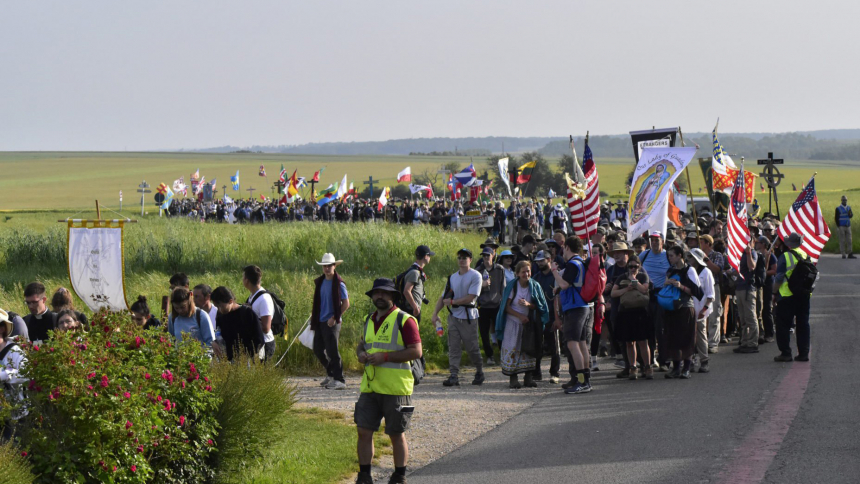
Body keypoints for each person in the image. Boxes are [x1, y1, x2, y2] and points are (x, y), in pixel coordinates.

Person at [354, 278, 422, 484]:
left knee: (396, 435)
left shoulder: (405, 319)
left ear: (393, 296)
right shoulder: (369, 319)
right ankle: (364, 475)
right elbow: (361, 345)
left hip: (396, 389)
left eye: (385, 293)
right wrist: (360, 354)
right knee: (363, 431)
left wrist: (385, 357)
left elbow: (416, 351)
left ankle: (399, 476)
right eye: (376, 293)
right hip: (370, 387)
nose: (380, 296)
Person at [431, 248, 485, 387]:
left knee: (472, 348)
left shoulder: (476, 276)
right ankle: (453, 375)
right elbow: (443, 297)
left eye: (465, 257)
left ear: (470, 260)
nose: (461, 260)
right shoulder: (452, 277)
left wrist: (453, 302)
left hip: (469, 318)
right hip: (454, 316)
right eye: (460, 257)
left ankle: (479, 371)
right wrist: (435, 314)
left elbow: (471, 297)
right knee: (453, 347)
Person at [494, 261, 549, 388]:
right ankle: (513, 378)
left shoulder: (534, 286)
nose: (526, 274)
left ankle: (528, 378)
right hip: (513, 323)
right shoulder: (513, 286)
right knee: (513, 348)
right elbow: (506, 307)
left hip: (528, 325)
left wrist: (528, 305)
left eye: (528, 271)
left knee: (528, 349)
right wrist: (520, 316)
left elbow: (539, 306)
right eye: (523, 271)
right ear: (517, 273)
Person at [551, 236, 593, 394]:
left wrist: (554, 270)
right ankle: (583, 380)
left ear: (567, 247)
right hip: (582, 306)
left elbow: (564, 284)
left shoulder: (573, 264)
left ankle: (582, 381)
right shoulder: (580, 262)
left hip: (575, 308)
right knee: (581, 343)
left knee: (572, 343)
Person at [662, 246, 704, 379]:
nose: (670, 258)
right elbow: (665, 288)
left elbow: (698, 293)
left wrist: (682, 287)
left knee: (686, 338)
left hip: (686, 308)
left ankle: (686, 368)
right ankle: (675, 368)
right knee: (673, 338)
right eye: (668, 256)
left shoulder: (689, 270)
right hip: (672, 308)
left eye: (672, 255)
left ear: (680, 255)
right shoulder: (670, 270)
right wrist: (667, 283)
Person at [609, 254, 653, 380]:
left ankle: (647, 366)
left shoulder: (643, 276)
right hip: (625, 312)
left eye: (635, 266)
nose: (633, 268)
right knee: (629, 342)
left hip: (640, 312)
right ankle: (633, 368)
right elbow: (613, 293)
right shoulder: (621, 277)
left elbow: (644, 290)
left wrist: (635, 281)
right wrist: (626, 289)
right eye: (631, 266)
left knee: (643, 341)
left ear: (639, 266)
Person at [312, 253, 351, 390]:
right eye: (324, 266)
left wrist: (334, 317)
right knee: (317, 349)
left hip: (333, 323)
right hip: (320, 321)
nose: (327, 268)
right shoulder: (321, 281)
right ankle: (331, 373)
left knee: (332, 351)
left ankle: (339, 379)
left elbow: (346, 304)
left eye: (329, 266)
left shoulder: (339, 283)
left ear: (334, 266)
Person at [773, 233, 812, 362]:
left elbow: (779, 278)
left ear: (789, 244)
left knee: (783, 325)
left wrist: (774, 292)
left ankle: (786, 353)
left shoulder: (785, 256)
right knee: (803, 324)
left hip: (787, 296)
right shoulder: (806, 256)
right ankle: (803, 353)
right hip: (804, 295)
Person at [639, 231, 671, 371]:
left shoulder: (668, 256)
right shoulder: (644, 255)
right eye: (652, 240)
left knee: (661, 329)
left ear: (662, 242)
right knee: (648, 329)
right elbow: (635, 270)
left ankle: (664, 360)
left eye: (657, 240)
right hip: (646, 295)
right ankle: (649, 360)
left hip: (662, 295)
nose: (654, 243)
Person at [210, 286, 265, 362]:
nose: (219, 309)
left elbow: (259, 340)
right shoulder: (221, 316)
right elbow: (219, 334)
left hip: (249, 361)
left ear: (230, 301)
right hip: (230, 361)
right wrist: (214, 342)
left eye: (221, 306)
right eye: (217, 307)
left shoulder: (247, 313)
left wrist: (247, 356)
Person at [530, 250, 560, 383]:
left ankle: (555, 373)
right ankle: (537, 373)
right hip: (539, 317)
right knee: (538, 346)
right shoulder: (536, 278)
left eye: (542, 260)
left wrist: (558, 318)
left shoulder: (556, 276)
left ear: (549, 259)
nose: (540, 263)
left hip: (553, 316)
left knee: (555, 347)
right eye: (538, 261)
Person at [0, 310, 28, 441]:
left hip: (15, 416)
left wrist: (5, 375)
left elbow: (28, 373)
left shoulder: (14, 350)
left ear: (2, 328)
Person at [687, 249, 715, 373]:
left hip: (701, 309)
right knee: (689, 335)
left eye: (691, 257)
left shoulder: (706, 272)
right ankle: (691, 361)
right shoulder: (688, 271)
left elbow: (710, 295)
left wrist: (704, 309)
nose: (688, 259)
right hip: (689, 308)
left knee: (701, 334)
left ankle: (704, 361)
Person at [477, 247, 505, 366]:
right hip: (483, 306)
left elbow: (503, 287)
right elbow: (474, 289)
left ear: (493, 255)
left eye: (488, 255)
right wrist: (482, 286)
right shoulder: (478, 271)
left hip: (496, 305)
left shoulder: (500, 269)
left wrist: (503, 303)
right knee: (484, 333)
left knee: (499, 331)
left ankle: (503, 354)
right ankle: (490, 356)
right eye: (484, 256)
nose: (486, 258)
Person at [243, 265, 277, 360]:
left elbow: (266, 328)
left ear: (247, 280)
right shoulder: (252, 296)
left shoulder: (264, 299)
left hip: (264, 344)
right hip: (255, 342)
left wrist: (249, 316)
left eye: (243, 277)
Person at [733, 238, 761, 354]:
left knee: (750, 317)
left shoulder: (752, 252)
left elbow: (752, 267)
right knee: (743, 317)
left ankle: (753, 343)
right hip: (739, 287)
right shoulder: (740, 254)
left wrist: (749, 252)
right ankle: (744, 342)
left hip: (748, 289)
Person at [699, 235, 725, 353]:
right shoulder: (697, 254)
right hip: (700, 288)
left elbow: (717, 269)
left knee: (714, 315)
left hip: (713, 287)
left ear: (708, 243)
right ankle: (703, 343)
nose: (700, 244)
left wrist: (705, 259)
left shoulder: (717, 255)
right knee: (702, 315)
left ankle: (713, 343)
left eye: (702, 242)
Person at [402, 246, 434, 322]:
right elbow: (406, 291)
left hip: (412, 310)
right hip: (411, 310)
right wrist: (415, 307)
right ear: (426, 256)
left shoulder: (416, 270)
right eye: (429, 255)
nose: (430, 258)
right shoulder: (415, 272)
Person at [756, 236, 778, 343]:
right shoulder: (757, 255)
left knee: (767, 309)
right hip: (759, 285)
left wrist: (763, 274)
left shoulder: (771, 256)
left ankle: (769, 333)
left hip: (768, 284)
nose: (756, 244)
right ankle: (761, 332)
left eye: (758, 242)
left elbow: (774, 270)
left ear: (764, 244)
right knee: (759, 309)